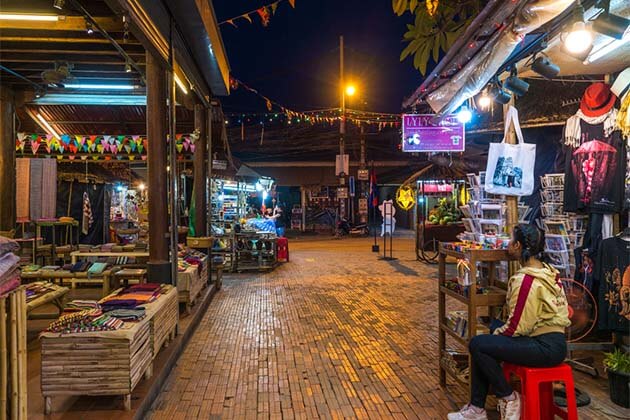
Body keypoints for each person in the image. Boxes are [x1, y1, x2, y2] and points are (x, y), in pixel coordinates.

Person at [448, 224, 570, 420]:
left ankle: (508, 396)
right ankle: (477, 408)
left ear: (518, 246)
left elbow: (517, 327)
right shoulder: (549, 271)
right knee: (487, 338)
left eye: (512, 241)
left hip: (543, 346)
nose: (508, 245)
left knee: (478, 344)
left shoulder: (526, 280)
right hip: (554, 342)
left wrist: (494, 338)